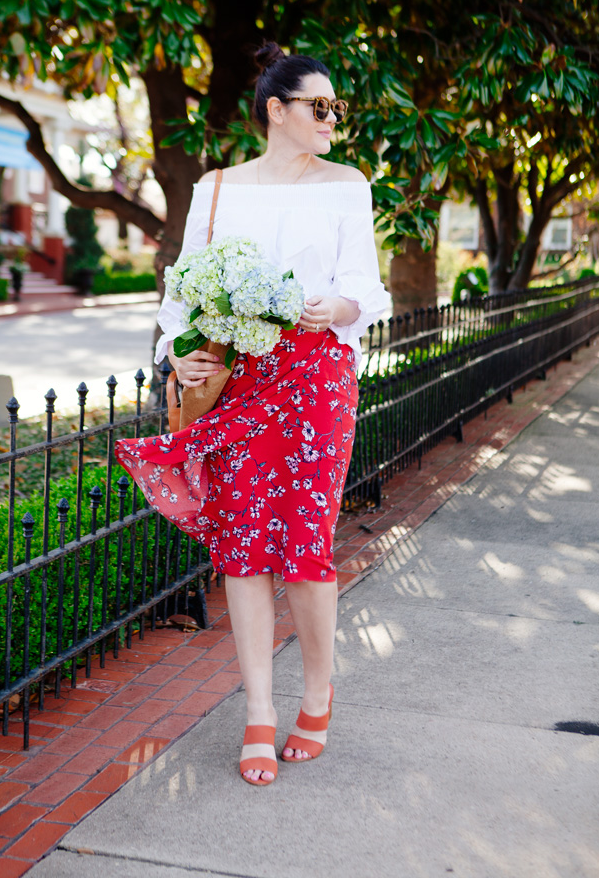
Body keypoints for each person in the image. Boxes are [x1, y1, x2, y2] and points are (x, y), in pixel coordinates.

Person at [115, 42, 390, 786]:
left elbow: (367, 288)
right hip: (238, 379)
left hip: (315, 378)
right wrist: (181, 352)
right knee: (241, 547)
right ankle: (259, 716)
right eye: (321, 106)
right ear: (277, 109)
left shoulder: (346, 185)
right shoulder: (215, 188)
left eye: (338, 108)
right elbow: (181, 294)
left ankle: (317, 693)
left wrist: (333, 306)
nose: (334, 119)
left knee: (303, 546)